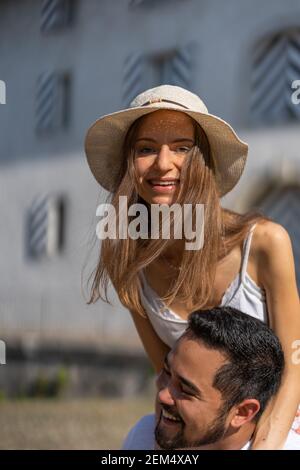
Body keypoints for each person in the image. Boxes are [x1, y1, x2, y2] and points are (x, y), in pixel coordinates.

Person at [84, 84, 300, 449]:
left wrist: (265, 445)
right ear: (129, 164)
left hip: (275, 419)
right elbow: (166, 375)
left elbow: (294, 366)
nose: (163, 163)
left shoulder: (264, 243)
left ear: (203, 161)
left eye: (182, 148)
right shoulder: (128, 258)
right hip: (200, 429)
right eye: (146, 149)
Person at [122, 307, 300, 450]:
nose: (163, 395)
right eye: (168, 373)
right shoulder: (144, 435)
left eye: (185, 390)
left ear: (242, 412)